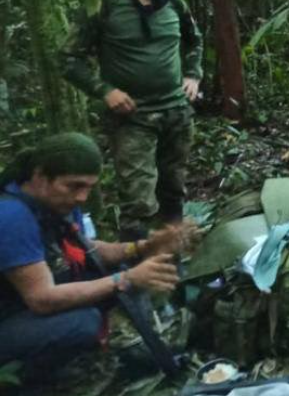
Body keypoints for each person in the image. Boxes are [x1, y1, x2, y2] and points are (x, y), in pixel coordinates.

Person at [0, 133, 189, 380]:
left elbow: (88, 250)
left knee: (121, 270)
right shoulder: (11, 216)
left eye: (89, 187)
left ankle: (146, 342)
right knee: (82, 323)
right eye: (74, 186)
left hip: (28, 300)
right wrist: (126, 278)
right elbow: (41, 299)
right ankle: (35, 380)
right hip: (11, 316)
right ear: (40, 177)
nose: (82, 197)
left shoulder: (56, 202)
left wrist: (143, 246)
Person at [62, 0, 202, 239]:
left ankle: (171, 263)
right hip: (133, 117)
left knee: (174, 190)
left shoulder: (174, 4)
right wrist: (105, 91)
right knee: (138, 202)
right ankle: (137, 276)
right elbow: (70, 59)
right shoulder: (104, 4)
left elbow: (194, 41)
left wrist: (192, 74)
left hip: (176, 113)